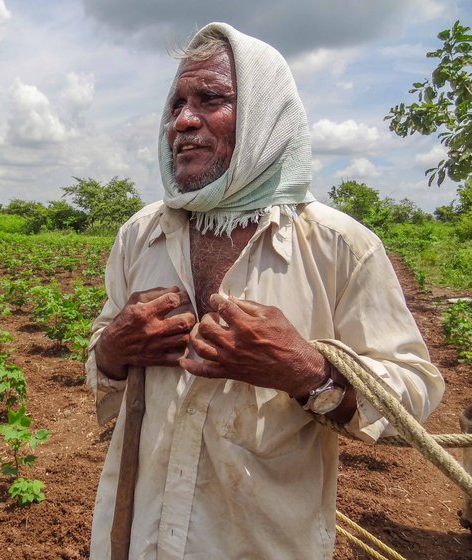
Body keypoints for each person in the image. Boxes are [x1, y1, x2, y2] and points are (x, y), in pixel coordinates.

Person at [86, 22, 445, 559]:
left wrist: (308, 373)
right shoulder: (141, 234)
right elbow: (101, 347)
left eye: (210, 99)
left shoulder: (339, 246)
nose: (182, 121)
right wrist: (113, 350)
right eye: (176, 104)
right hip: (139, 535)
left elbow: (416, 392)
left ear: (265, 115)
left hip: (261, 542)